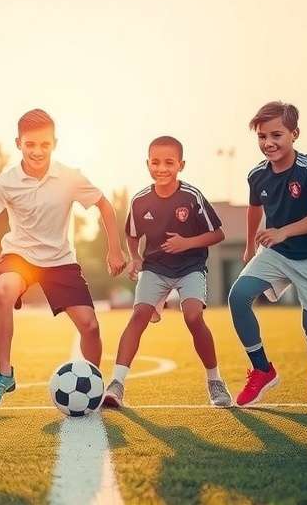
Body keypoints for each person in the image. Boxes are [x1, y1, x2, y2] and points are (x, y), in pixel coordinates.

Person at [0, 108, 126, 408]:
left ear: (55, 142)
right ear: (19, 144)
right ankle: (4, 375)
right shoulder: (7, 181)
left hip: (59, 259)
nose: (37, 151)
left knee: (90, 326)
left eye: (44, 144)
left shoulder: (70, 177)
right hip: (20, 255)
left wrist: (115, 249)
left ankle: (93, 382)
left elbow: (105, 206)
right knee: (3, 289)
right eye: (30, 144)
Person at [103, 136, 232, 408]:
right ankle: (116, 384)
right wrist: (136, 258)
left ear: (181, 165)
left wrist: (187, 243)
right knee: (138, 315)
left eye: (169, 163)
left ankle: (215, 382)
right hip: (156, 268)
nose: (162, 168)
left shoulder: (192, 196)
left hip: (190, 267)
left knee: (193, 316)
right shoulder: (139, 201)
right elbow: (132, 235)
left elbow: (218, 233)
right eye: (155, 162)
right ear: (147, 164)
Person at [228, 101, 307, 407]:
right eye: (262, 137)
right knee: (238, 297)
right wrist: (250, 245)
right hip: (276, 252)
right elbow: (254, 208)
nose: (268, 143)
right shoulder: (257, 175)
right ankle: (262, 370)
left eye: (276, 135)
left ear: (294, 134)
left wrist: (284, 230)